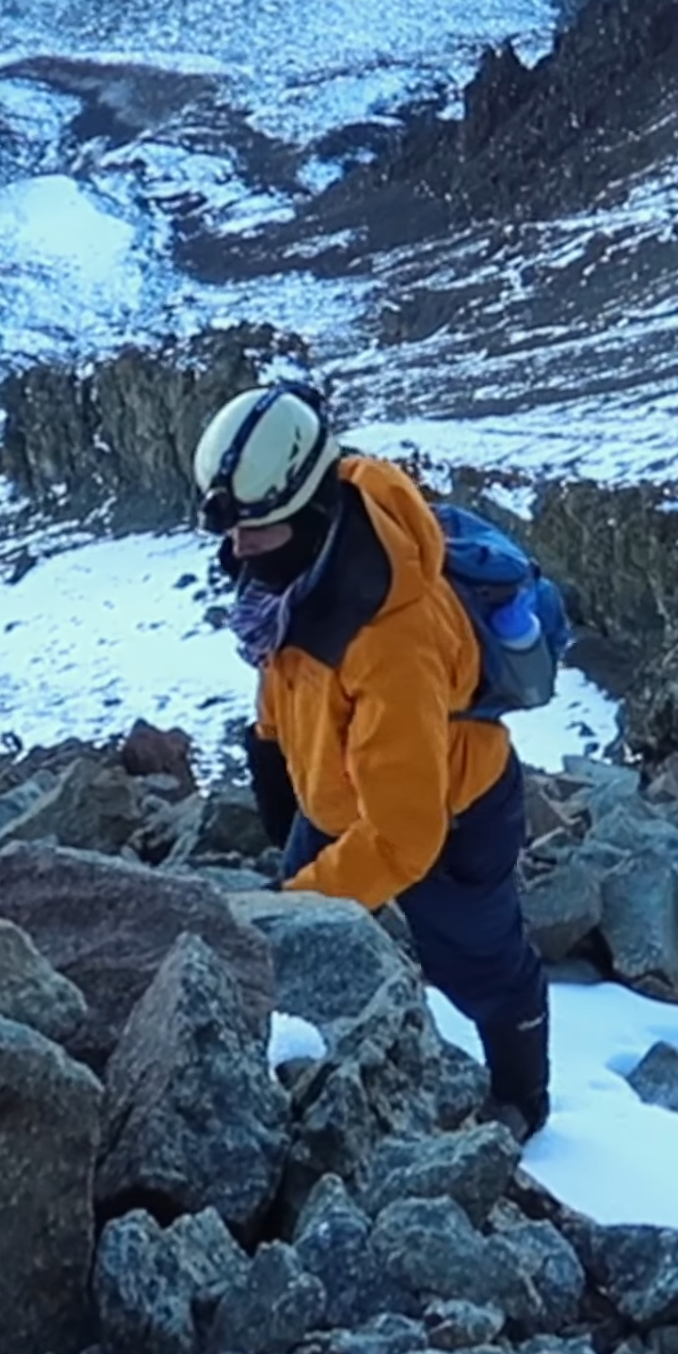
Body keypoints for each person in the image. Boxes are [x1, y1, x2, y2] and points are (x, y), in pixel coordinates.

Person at [197, 381, 555, 1139]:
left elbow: (403, 838)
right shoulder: (307, 567)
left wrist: (299, 901)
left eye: (254, 531)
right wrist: (270, 751)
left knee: (484, 968)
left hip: (455, 813)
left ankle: (524, 1097)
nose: (237, 551)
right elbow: (287, 669)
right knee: (292, 935)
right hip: (337, 800)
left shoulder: (389, 638)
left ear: (305, 510)